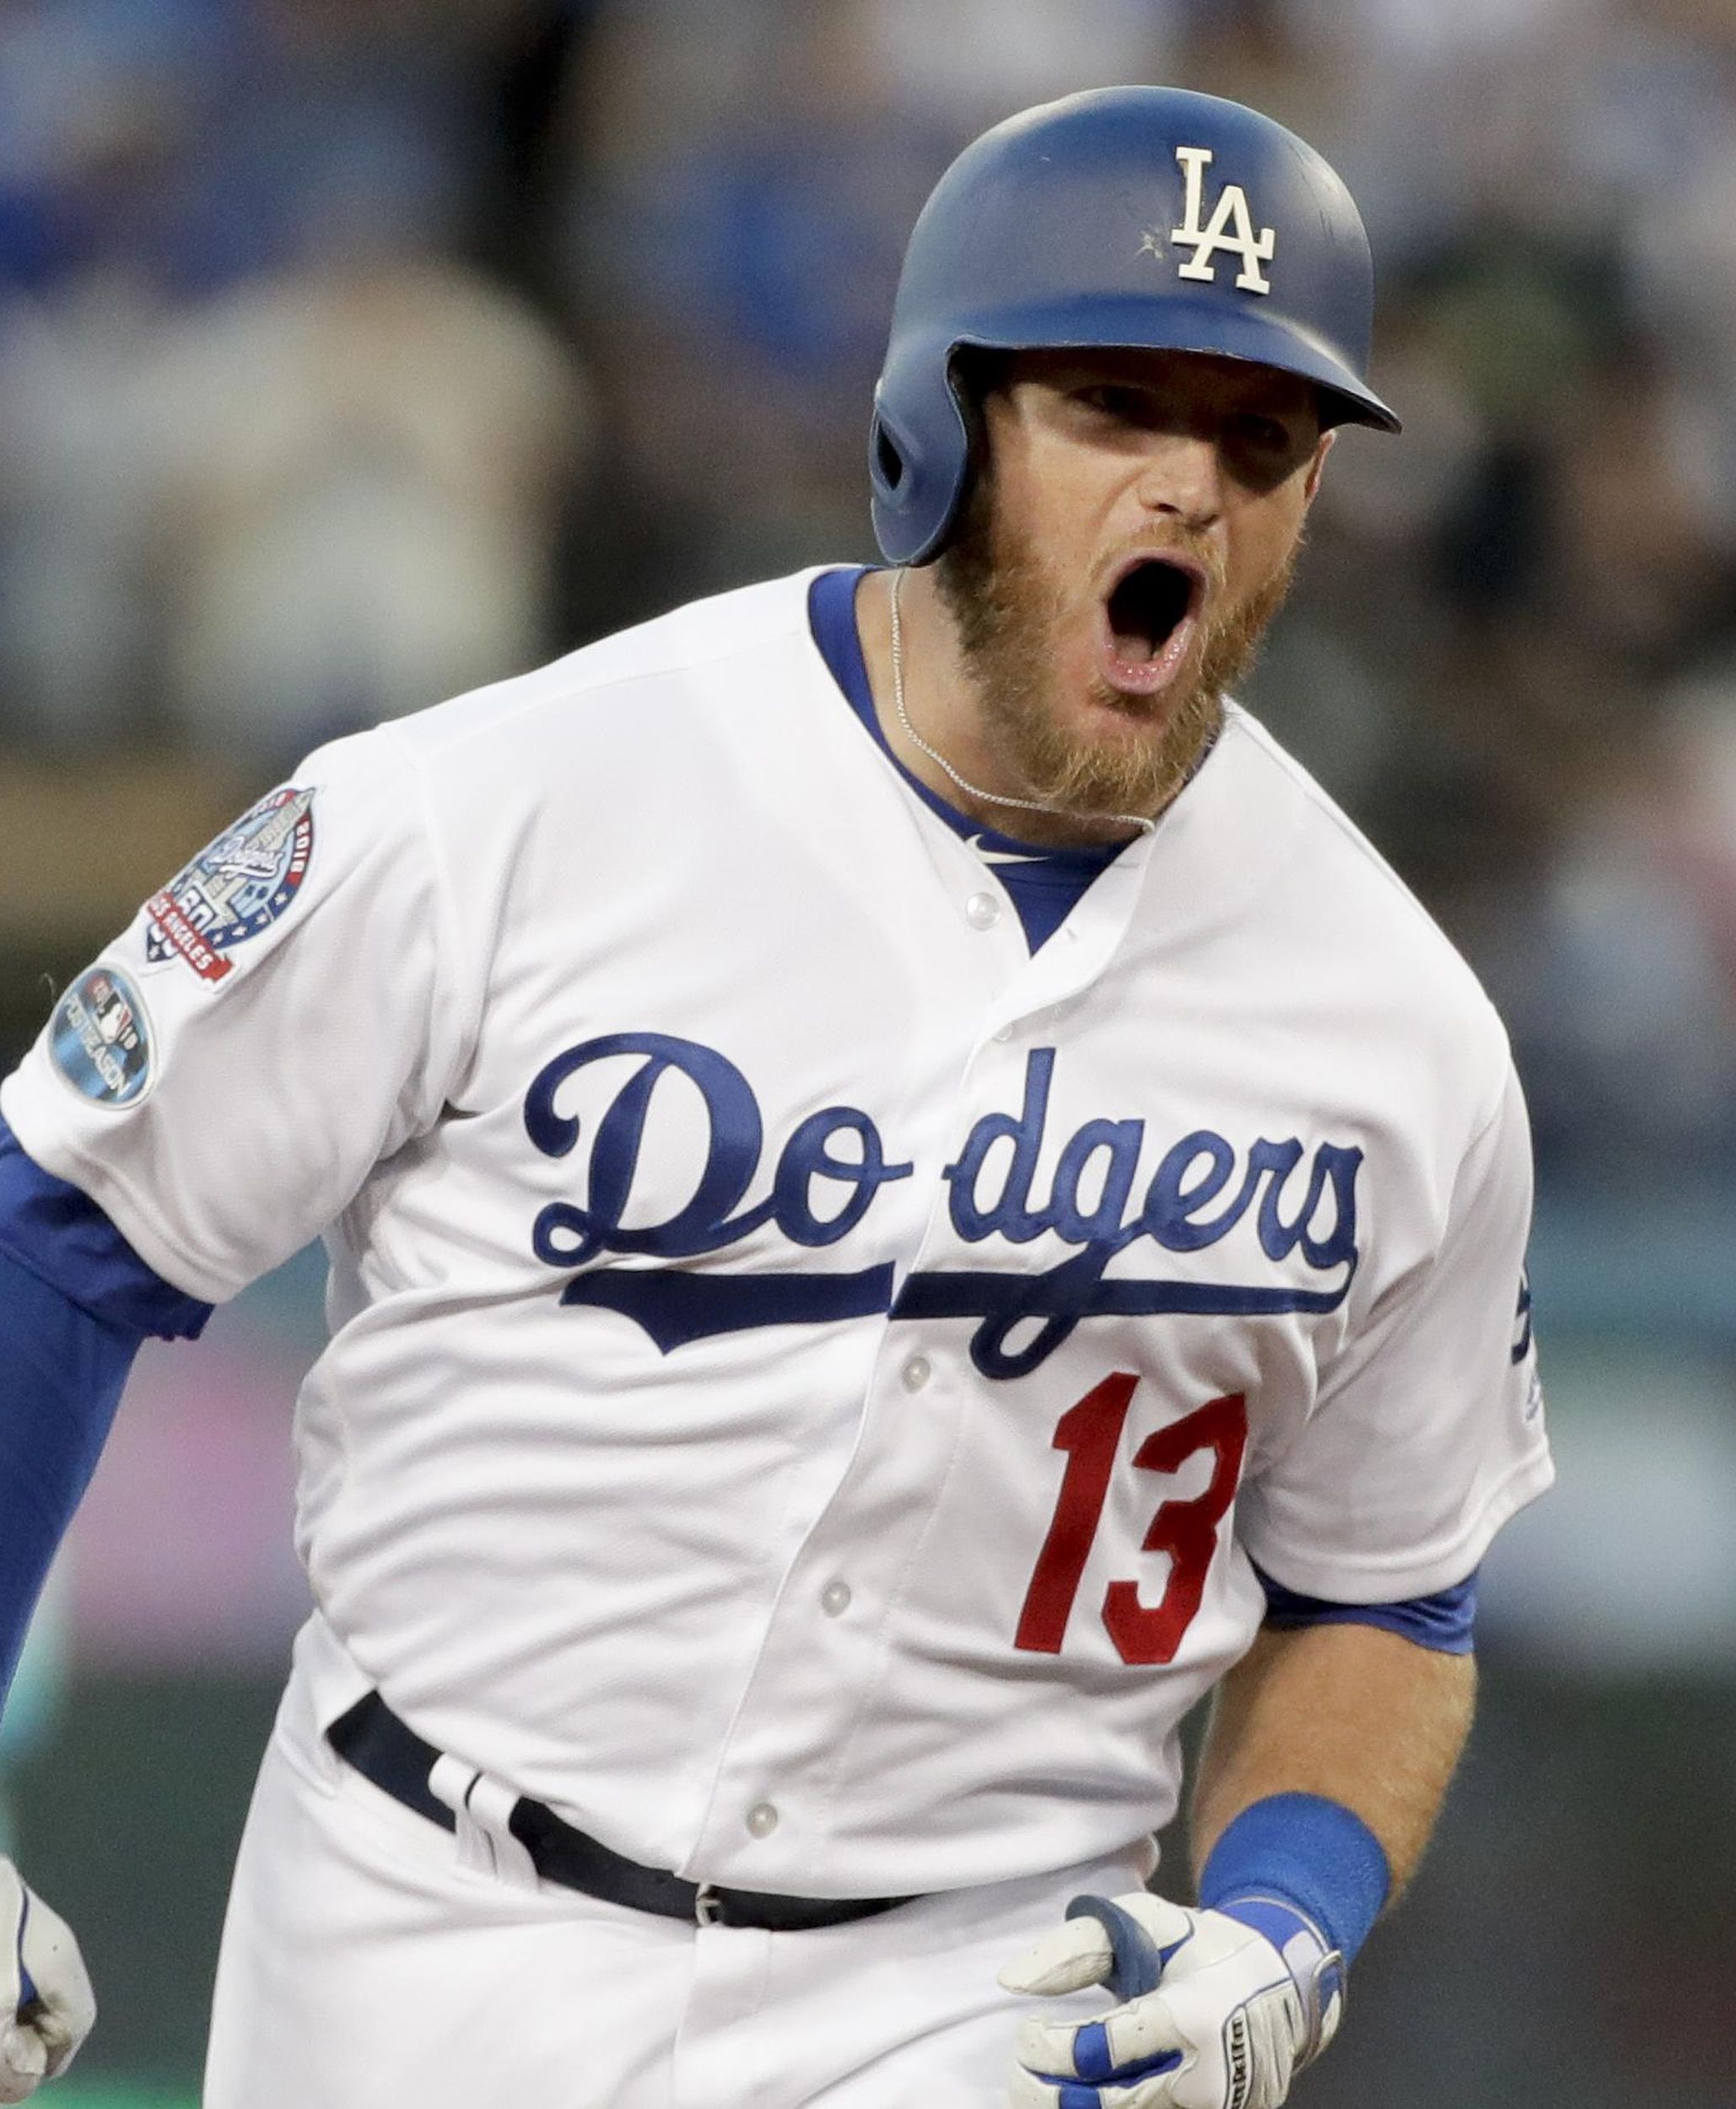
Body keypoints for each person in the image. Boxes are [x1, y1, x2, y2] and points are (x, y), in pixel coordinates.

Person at [0, 87, 1551, 2109]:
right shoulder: (502, 806)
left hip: (980, 1990)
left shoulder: (1397, 1030)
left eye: (1260, 438)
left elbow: (1384, 1585)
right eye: (1110, 405)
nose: (1189, 486)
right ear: (934, 430)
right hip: (418, 1918)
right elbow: (58, 1222)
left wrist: (1285, 1915)